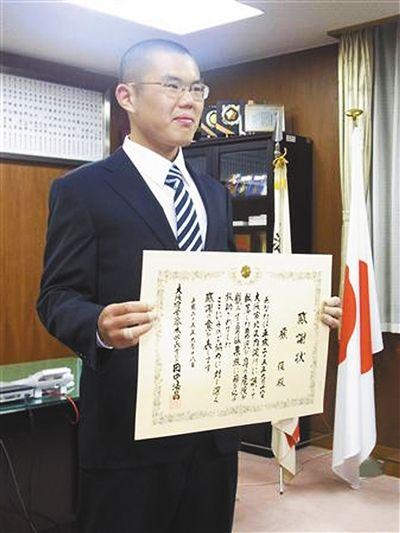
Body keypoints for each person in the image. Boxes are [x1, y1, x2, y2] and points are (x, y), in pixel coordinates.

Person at [37, 39, 342, 533]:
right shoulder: (81, 189)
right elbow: (55, 298)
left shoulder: (212, 193)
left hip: (211, 426)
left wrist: (305, 308)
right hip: (127, 427)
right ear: (127, 97)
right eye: (172, 86)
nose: (190, 100)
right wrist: (96, 324)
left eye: (197, 87)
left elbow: (236, 291)